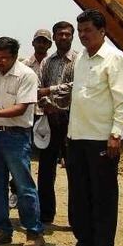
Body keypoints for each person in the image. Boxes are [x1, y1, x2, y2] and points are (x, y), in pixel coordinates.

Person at [63, 9, 123, 246]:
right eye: (80, 31)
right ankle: (84, 243)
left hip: (101, 140)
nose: (82, 36)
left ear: (103, 31)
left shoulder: (114, 59)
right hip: (77, 137)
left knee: (102, 196)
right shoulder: (81, 59)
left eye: (87, 31)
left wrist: (115, 135)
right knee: (79, 194)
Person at [0, 37, 44, 246]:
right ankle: (1, 229)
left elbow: (22, 107)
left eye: (4, 58)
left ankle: (34, 232)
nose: (0, 61)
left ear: (14, 56)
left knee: (24, 186)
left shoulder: (27, 75)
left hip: (16, 136)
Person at [36, 21, 77, 225]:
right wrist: (46, 103)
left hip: (72, 121)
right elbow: (38, 87)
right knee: (46, 170)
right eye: (59, 34)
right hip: (50, 119)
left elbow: (75, 86)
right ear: (54, 37)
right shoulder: (46, 62)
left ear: (72, 36)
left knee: (75, 171)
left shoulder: (79, 60)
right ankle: (46, 214)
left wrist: (49, 92)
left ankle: (75, 218)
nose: (63, 37)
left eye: (67, 34)